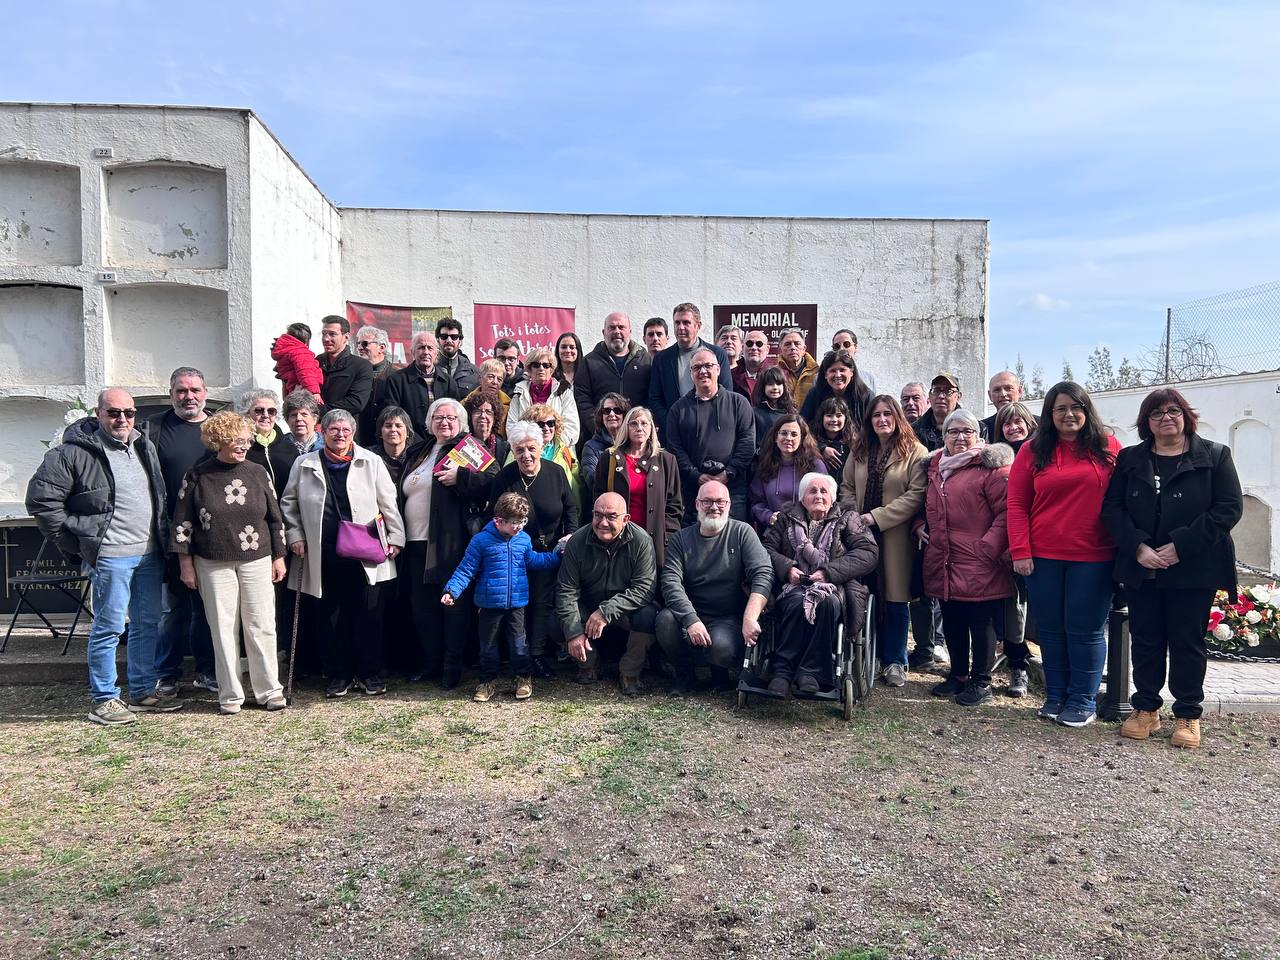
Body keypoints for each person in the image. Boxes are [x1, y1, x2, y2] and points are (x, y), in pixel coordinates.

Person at [1103, 388, 1243, 750]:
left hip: (1193, 567)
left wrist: (1181, 546)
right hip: (1143, 565)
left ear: (1186, 415)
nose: (1166, 418)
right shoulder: (1132, 459)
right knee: (1147, 639)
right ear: (1146, 422)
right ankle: (1146, 708)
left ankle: (1188, 714)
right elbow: (1113, 510)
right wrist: (1137, 547)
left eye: (1173, 411)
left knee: (1187, 641)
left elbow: (1227, 509)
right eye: (1156, 413)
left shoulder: (1213, 456)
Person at [26, 389, 176, 725]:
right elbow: (42, 501)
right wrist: (78, 543)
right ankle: (104, 698)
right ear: (98, 413)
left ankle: (141, 691)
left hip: (149, 554)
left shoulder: (142, 445)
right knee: (109, 627)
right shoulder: (71, 453)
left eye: (129, 412)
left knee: (147, 623)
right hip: (110, 556)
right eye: (113, 413)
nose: (122, 419)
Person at [1007, 381, 1121, 728]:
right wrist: (1020, 551)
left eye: (1076, 407)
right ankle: (1056, 696)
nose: (1069, 414)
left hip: (1094, 556)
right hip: (1043, 556)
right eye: (1060, 409)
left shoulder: (1109, 447)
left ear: (1087, 411)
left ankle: (1082, 700)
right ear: (1050, 414)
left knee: (1084, 629)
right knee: (1052, 630)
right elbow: (1016, 504)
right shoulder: (1032, 451)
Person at [281, 408, 406, 698]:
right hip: (322, 551)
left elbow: (389, 502)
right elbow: (289, 504)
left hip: (365, 551)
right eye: (333, 430)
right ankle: (339, 674)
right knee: (331, 616)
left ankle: (370, 674)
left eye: (345, 430)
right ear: (322, 432)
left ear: (353, 434)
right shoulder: (304, 463)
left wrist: (397, 537)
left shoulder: (370, 461)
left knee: (369, 615)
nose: (340, 435)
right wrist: (295, 536)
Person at [170, 412, 288, 715]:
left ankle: (269, 691)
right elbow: (183, 523)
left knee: (261, 625)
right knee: (222, 628)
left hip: (257, 559)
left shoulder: (258, 472)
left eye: (247, 440)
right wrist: (186, 563)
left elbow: (275, 518)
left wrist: (279, 556)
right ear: (220, 440)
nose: (245, 445)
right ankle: (231, 694)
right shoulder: (197, 475)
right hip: (212, 561)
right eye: (238, 440)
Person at [395, 397, 497, 686]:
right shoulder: (419, 450)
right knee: (422, 606)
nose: (445, 422)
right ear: (429, 422)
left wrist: (462, 476)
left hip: (451, 540)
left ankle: (452, 668)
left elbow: (495, 480)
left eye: (451, 417)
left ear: (461, 422)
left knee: (453, 604)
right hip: (415, 541)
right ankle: (431, 663)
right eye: (438, 417)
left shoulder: (470, 447)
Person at [918, 410, 1014, 706]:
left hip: (979, 558)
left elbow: (1007, 511)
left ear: (978, 436)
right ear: (944, 436)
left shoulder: (991, 468)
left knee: (980, 620)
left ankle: (981, 681)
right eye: (953, 431)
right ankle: (958, 675)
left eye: (967, 432)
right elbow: (927, 505)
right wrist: (918, 524)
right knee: (952, 618)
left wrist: (987, 547)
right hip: (944, 556)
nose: (960, 437)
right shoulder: (936, 467)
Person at [839, 395, 929, 687]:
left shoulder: (915, 451)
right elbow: (847, 486)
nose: (882, 420)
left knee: (895, 599)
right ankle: (867, 655)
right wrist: (855, 516)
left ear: (898, 418)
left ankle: (895, 661)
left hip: (895, 535)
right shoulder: (860, 449)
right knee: (862, 594)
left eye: (888, 414)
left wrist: (876, 517)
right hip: (859, 534)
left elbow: (916, 495)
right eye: (876, 415)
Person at [760, 473, 878, 696]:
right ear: (802, 497)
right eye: (812, 491)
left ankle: (811, 673)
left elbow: (868, 553)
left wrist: (828, 572)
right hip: (793, 585)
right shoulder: (786, 517)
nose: (818, 495)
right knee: (796, 602)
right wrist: (787, 569)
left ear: (833, 498)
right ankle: (782, 672)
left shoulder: (848, 518)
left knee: (825, 603)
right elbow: (766, 549)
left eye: (824, 491)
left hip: (834, 587)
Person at [443, 492, 562, 702]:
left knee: (518, 644)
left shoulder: (523, 540)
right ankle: (486, 681)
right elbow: (466, 569)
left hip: (517, 603)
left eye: (522, 522)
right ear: (499, 521)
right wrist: (451, 591)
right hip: (489, 604)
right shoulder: (481, 541)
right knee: (488, 646)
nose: (519, 527)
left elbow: (533, 560)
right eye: (514, 523)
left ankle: (523, 678)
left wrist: (556, 557)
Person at [656, 481, 772, 695]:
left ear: (729, 505)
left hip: (728, 617)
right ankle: (684, 674)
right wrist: (691, 619)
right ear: (697, 504)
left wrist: (750, 617)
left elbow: (763, 574)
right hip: (691, 613)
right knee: (664, 620)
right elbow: (670, 582)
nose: (714, 507)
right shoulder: (681, 539)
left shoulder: (742, 532)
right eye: (707, 501)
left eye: (720, 501)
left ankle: (720, 673)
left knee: (722, 649)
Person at [144, 366, 216, 698]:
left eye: (195, 390)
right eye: (181, 391)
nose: (189, 396)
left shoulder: (219, 426)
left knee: (208, 608)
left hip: (213, 535)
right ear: (171, 393)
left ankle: (206, 670)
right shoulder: (154, 429)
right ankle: (167, 673)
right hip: (169, 532)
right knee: (172, 609)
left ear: (205, 392)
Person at [491, 422, 579, 678]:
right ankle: (516, 657)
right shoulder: (504, 477)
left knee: (542, 603)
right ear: (513, 451)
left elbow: (570, 508)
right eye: (520, 450)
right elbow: (494, 516)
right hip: (513, 552)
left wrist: (570, 535)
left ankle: (538, 655)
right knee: (516, 605)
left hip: (549, 552)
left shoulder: (555, 472)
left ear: (541, 447)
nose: (526, 455)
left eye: (531, 448)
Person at [557, 492, 660, 692]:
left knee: (649, 616)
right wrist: (573, 632)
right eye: (598, 515)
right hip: (587, 608)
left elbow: (644, 589)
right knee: (558, 620)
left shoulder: (641, 541)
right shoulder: (577, 541)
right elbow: (566, 590)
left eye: (611, 516)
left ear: (626, 519)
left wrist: (606, 611)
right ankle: (588, 664)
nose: (603, 522)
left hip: (624, 610)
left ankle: (630, 671)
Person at [665, 347, 755, 523]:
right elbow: (674, 448)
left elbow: (747, 443)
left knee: (732, 545)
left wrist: (728, 473)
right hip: (693, 492)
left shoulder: (739, 403)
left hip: (732, 490)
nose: (703, 371)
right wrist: (695, 475)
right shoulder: (678, 409)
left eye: (708, 365)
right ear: (690, 373)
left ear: (718, 369)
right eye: (697, 367)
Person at [593, 406, 683, 568]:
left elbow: (674, 506)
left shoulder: (667, 460)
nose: (639, 428)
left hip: (654, 542)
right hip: (617, 538)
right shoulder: (610, 457)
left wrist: (667, 538)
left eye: (644, 423)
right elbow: (597, 497)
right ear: (626, 427)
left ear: (652, 428)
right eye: (633, 424)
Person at [991, 399, 1039, 696]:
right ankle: (1017, 665)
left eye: (1018, 421)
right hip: (1008, 543)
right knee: (1013, 608)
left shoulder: (1041, 455)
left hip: (1041, 540)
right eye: (1007, 424)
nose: (1013, 427)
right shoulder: (997, 460)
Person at [648, 303, 733, 441]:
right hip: (674, 436)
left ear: (698, 326)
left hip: (710, 433)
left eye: (686, 322)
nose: (681, 327)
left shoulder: (718, 354)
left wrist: (707, 423)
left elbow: (726, 393)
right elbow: (655, 399)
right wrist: (672, 422)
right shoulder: (662, 359)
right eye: (677, 323)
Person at [573, 312, 652, 433]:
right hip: (602, 437)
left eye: (621, 327)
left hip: (638, 436)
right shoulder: (589, 362)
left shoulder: (645, 361)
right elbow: (582, 400)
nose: (617, 331)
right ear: (604, 332)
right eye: (612, 327)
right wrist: (599, 428)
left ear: (630, 332)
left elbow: (653, 397)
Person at [749, 415, 827, 531]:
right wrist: (768, 516)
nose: (788, 438)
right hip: (774, 532)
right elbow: (755, 501)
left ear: (802, 439)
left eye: (794, 434)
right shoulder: (765, 465)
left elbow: (827, 499)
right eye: (784, 433)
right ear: (776, 437)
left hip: (809, 531)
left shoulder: (815, 466)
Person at [508, 347, 581, 448]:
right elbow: (512, 428)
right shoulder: (518, 394)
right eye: (536, 365)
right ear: (529, 368)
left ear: (551, 370)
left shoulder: (564, 393)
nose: (541, 368)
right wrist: (531, 449)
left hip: (557, 453)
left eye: (546, 365)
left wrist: (550, 449)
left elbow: (571, 429)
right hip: (527, 453)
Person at [235, 388, 299, 500]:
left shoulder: (290, 448)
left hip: (285, 513)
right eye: (258, 410)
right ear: (246, 413)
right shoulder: (238, 448)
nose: (265, 415)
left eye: (271, 411)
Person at [316, 315, 374, 418]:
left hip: (344, 429)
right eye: (324, 334)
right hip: (315, 429)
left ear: (346, 337)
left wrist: (317, 412)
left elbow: (355, 403)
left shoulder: (361, 366)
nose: (326, 339)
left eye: (332, 334)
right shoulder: (316, 362)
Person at [799, 349, 872, 428]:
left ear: (851, 372)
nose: (838, 375)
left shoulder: (865, 396)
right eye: (833, 371)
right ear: (825, 374)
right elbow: (803, 425)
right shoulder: (815, 394)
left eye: (842, 370)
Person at [384, 331, 438, 436]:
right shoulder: (396, 380)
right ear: (412, 352)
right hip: (409, 442)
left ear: (436, 353)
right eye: (421, 347)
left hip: (441, 443)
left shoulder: (448, 382)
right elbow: (393, 416)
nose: (426, 352)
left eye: (430, 348)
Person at [913, 373, 984, 451]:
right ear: (929, 395)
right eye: (936, 390)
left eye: (948, 391)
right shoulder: (915, 429)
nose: (941, 396)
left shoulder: (977, 428)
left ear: (958, 396)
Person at [516, 403, 578, 483]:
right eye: (540, 424)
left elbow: (576, 485)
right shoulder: (517, 450)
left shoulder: (565, 451)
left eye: (550, 423)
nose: (546, 428)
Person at [355, 325, 396, 444]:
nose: (360, 348)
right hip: (359, 439)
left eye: (364, 344)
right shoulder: (353, 373)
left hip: (386, 441)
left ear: (381, 347)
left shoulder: (397, 375)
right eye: (358, 344)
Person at [580, 394, 629, 486]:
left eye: (617, 410)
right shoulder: (591, 447)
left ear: (625, 416)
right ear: (601, 416)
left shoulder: (632, 444)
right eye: (606, 411)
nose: (611, 414)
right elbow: (592, 480)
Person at [271, 322, 324, 403]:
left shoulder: (286, 350)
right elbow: (305, 372)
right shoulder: (301, 352)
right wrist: (314, 392)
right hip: (303, 390)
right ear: (307, 341)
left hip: (293, 389)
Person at [462, 359, 511, 437]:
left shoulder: (510, 405)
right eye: (491, 377)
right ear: (480, 378)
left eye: (499, 379)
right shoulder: (464, 404)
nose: (495, 382)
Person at [433, 317, 480, 399]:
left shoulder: (474, 372)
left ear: (460, 341)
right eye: (444, 336)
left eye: (454, 337)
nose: (449, 340)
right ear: (437, 340)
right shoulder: (429, 369)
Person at [368, 405, 415, 485]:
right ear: (380, 432)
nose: (393, 430)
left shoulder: (417, 457)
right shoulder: (369, 456)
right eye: (388, 426)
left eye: (398, 426)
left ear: (408, 432)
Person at [751, 366, 795, 449]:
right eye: (770, 384)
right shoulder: (754, 413)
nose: (775, 387)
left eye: (778, 384)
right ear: (762, 387)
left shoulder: (790, 411)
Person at [462, 391, 509, 466]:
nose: (483, 416)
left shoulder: (504, 448)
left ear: (495, 418)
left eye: (488, 412)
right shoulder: (462, 443)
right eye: (477, 411)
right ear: (470, 417)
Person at [776, 329, 818, 411]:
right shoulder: (774, 373)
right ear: (780, 349)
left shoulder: (818, 372)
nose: (792, 347)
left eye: (797, 344)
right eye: (787, 344)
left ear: (804, 348)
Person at [980, 370, 1028, 440]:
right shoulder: (982, 429)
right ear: (990, 396)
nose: (1003, 394)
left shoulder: (1040, 425)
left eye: (1008, 388)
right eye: (997, 390)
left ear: (1019, 391)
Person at [813, 397, 854, 476]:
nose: (834, 419)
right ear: (821, 418)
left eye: (839, 416)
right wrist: (821, 448)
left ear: (846, 418)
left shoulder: (853, 441)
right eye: (829, 415)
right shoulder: (811, 439)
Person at [733, 329, 776, 399]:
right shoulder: (731, 375)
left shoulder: (779, 375)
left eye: (759, 344)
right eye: (749, 344)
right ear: (743, 348)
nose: (754, 348)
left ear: (767, 349)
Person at [284, 389, 323, 455]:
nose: (298, 419)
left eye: (304, 414)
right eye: (293, 415)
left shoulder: (327, 445)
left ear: (314, 419)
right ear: (287, 420)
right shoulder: (279, 446)